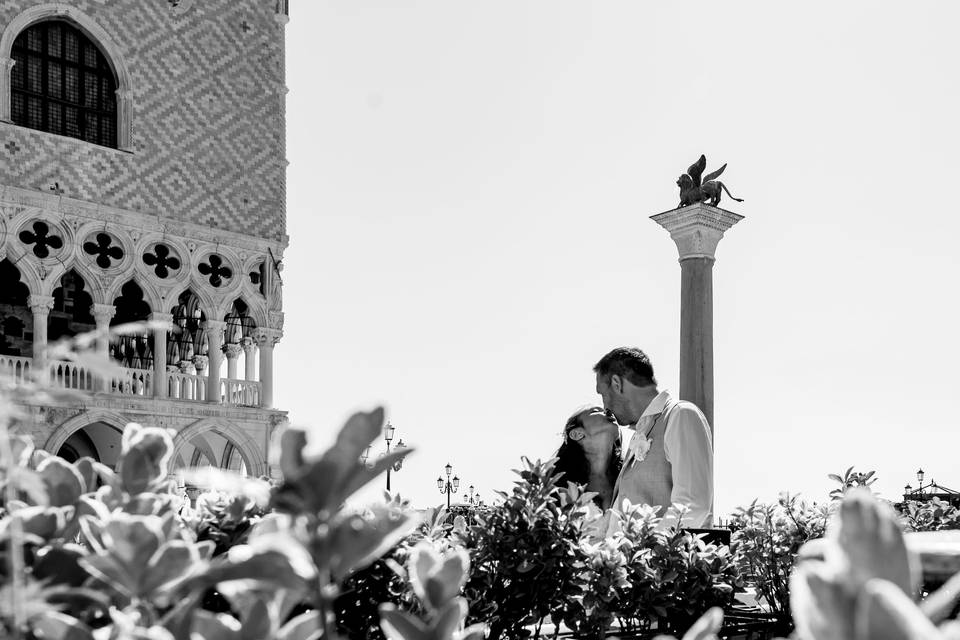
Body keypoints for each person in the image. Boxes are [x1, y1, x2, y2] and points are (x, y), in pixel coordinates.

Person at [594, 347, 713, 530]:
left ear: (617, 384)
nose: (605, 407)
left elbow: (691, 506)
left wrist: (648, 553)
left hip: (655, 558)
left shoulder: (680, 415)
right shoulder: (640, 433)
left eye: (603, 395)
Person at [553, 406, 622, 511]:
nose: (609, 412)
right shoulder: (558, 489)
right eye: (596, 411)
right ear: (577, 434)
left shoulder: (630, 474)